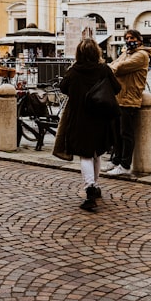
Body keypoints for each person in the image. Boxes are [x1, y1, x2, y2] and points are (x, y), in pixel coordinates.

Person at [53, 37, 121, 211]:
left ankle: (90, 188)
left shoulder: (74, 70)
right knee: (96, 152)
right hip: (101, 116)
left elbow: (63, 88)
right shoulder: (103, 69)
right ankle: (94, 186)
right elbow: (117, 88)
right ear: (96, 52)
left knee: (85, 154)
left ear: (79, 53)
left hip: (80, 117)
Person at [104, 29, 150, 177]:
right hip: (119, 97)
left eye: (132, 38)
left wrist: (110, 68)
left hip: (130, 98)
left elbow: (119, 67)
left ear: (139, 39)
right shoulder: (126, 53)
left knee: (126, 133)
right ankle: (117, 160)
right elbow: (114, 63)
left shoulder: (141, 55)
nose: (129, 40)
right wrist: (110, 66)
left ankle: (125, 165)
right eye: (127, 38)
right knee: (116, 132)